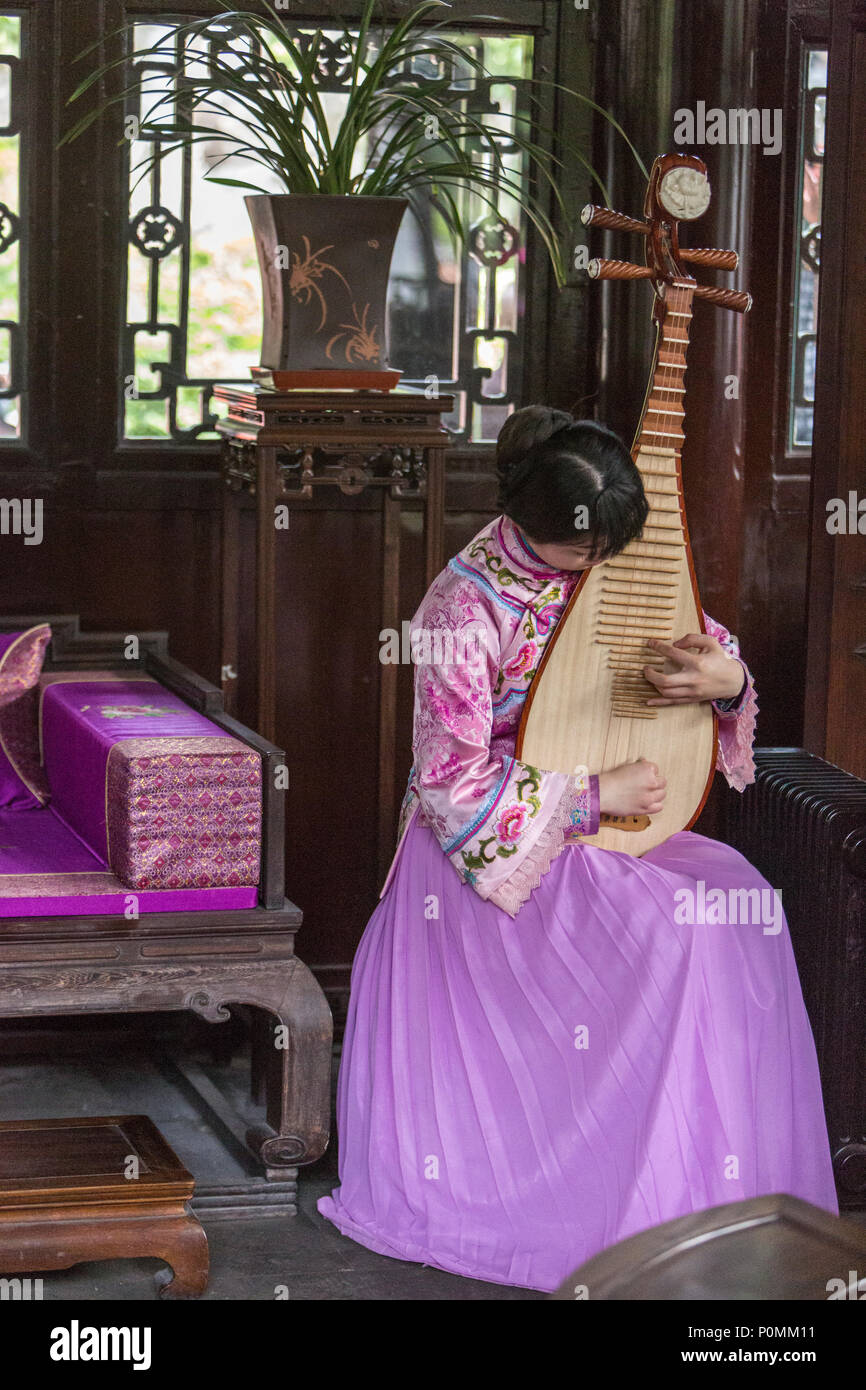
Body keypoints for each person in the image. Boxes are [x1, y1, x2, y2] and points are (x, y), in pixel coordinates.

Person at [318, 406, 838, 1293]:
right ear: (527, 521)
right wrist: (592, 798)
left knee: (741, 905)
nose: (597, 567)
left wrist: (728, 680)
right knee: (677, 934)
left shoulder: (611, 553)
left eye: (609, 550)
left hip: (610, 828)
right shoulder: (460, 605)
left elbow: (690, 645)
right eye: (579, 554)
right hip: (496, 859)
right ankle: (617, 1205)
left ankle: (712, 1203)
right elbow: (449, 784)